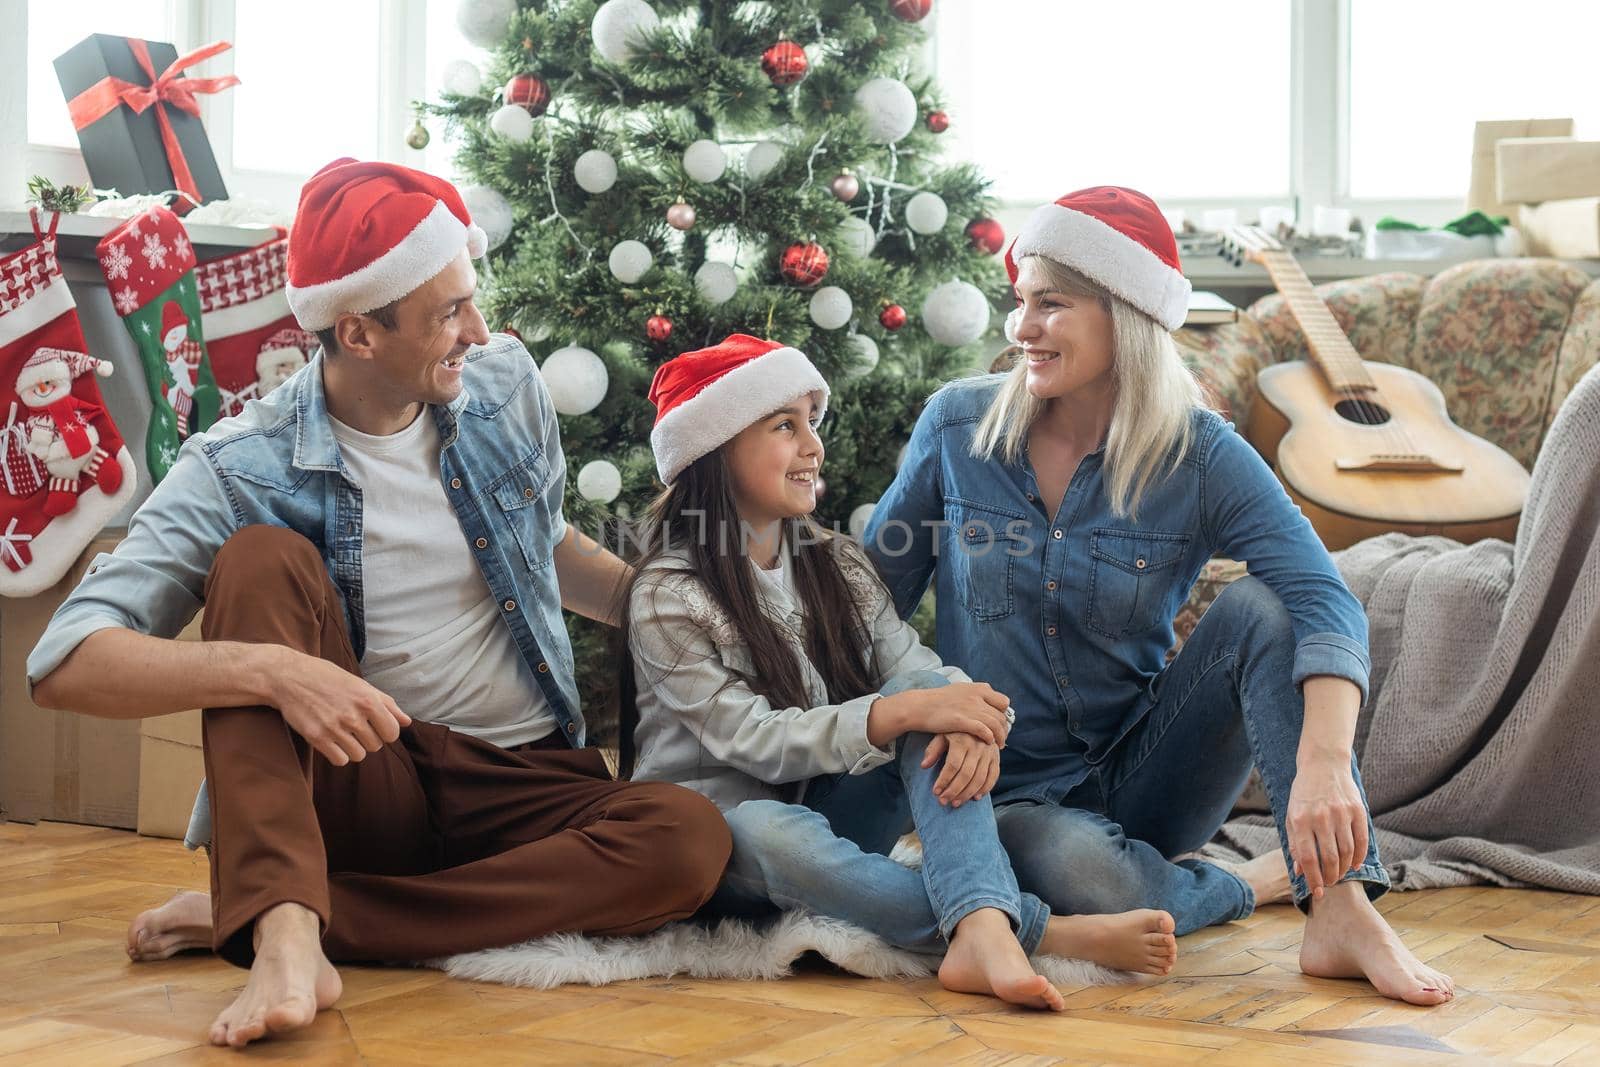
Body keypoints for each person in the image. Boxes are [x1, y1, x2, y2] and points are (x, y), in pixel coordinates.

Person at [27, 159, 731, 1049]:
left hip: (523, 778)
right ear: (358, 333)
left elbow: (543, 542)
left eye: (471, 300)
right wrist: (274, 670)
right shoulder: (240, 464)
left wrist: (664, 605)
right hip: (369, 774)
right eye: (449, 314)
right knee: (259, 561)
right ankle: (284, 931)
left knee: (688, 842)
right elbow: (63, 662)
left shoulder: (504, 387)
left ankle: (289, 913)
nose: (478, 331)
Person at [864, 186, 1454, 1006]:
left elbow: (1323, 596)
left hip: (1144, 770)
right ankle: (1248, 881)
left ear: (1126, 317)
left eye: (1051, 304)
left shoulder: (1202, 455)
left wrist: (1324, 765)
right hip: (999, 787)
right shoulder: (957, 429)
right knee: (1086, 870)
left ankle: (1341, 904)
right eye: (1020, 301)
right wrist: (926, 706)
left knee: (1268, 609)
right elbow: (866, 605)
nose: (1021, 327)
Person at [621, 334, 1178, 1012]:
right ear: (716, 449)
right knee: (773, 821)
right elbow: (753, 740)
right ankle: (1033, 928)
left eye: (811, 423)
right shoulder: (667, 595)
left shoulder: (838, 565)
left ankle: (978, 927)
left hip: (828, 809)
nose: (813, 446)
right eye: (784, 425)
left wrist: (965, 714)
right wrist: (900, 713)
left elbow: (915, 671)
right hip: (725, 843)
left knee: (929, 699)